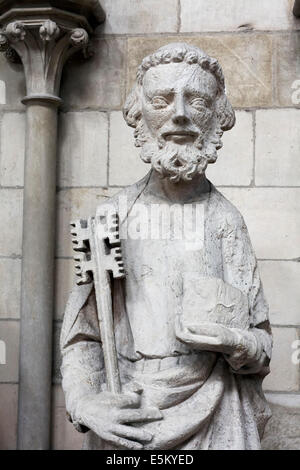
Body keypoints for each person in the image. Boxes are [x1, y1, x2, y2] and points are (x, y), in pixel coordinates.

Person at [60, 43, 272, 450]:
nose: (179, 114)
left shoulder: (225, 220)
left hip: (219, 411)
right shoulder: (114, 216)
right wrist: (86, 401)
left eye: (197, 101)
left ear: (218, 117)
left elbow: (261, 344)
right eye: (161, 100)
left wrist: (236, 343)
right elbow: (82, 336)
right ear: (139, 113)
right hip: (134, 415)